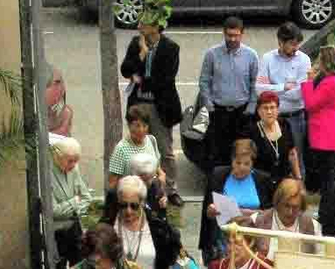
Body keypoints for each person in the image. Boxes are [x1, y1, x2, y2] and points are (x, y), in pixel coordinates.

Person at [120, 12, 183, 204]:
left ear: (156, 27)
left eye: (144, 23)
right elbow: (125, 70)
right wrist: (142, 55)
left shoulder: (170, 48)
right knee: (138, 146)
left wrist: (140, 78)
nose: (139, 26)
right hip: (138, 102)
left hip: (160, 105)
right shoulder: (136, 43)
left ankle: (170, 190)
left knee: (164, 149)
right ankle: (141, 187)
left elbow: (164, 79)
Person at [198, 16, 260, 181]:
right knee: (218, 153)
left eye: (236, 35)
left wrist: (250, 109)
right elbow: (204, 81)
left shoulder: (251, 56)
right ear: (224, 34)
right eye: (229, 35)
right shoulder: (212, 54)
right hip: (218, 112)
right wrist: (209, 106)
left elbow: (255, 83)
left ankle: (240, 183)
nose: (232, 39)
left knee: (242, 153)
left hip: (242, 113)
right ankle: (218, 185)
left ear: (242, 34)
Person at [198, 139, 276, 263]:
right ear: (232, 160)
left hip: (253, 242)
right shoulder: (218, 176)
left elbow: (270, 213)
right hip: (223, 242)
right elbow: (207, 214)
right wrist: (211, 210)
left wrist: (247, 213)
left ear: (252, 163)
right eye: (237, 162)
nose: (241, 167)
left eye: (246, 164)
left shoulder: (262, 179)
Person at [256, 22, 311, 174]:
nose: (296, 48)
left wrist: (273, 89)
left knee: (297, 159)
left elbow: (300, 93)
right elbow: (260, 90)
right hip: (273, 118)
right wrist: (283, 87)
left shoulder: (304, 60)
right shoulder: (267, 59)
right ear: (280, 42)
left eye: (297, 44)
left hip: (295, 118)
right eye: (292, 44)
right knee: (273, 159)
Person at [113, 174, 180, 269]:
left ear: (142, 203)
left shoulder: (158, 228)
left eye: (134, 206)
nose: (128, 211)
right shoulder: (108, 228)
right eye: (123, 205)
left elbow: (177, 260)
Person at [299, 44, 335, 194]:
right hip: (334, 133)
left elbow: (311, 104)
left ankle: (328, 208)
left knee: (327, 177)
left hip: (326, 135)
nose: (317, 62)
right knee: (329, 174)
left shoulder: (330, 83)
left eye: (320, 60)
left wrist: (308, 81)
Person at [239, 177, 320, 259]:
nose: (290, 212)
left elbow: (320, 259)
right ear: (278, 202)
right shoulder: (256, 221)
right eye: (286, 205)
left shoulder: (313, 226)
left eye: (295, 207)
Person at [47, 135, 92, 268]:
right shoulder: (46, 171)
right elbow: (53, 211)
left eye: (76, 161)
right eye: (70, 161)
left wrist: (72, 207)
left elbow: (86, 198)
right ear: (57, 156)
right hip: (56, 232)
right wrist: (75, 202)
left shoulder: (74, 168)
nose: (73, 165)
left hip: (74, 228)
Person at [244, 90, 302, 182]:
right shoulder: (251, 131)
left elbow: (292, 153)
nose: (269, 112)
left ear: (278, 110)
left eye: (272, 107)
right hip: (261, 181)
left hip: (284, 179)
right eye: (265, 108)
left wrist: (298, 178)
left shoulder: (285, 125)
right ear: (259, 111)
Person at [107, 104, 164, 196]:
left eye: (144, 126)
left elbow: (157, 167)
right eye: (137, 126)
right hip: (132, 200)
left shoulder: (151, 140)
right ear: (129, 126)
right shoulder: (121, 149)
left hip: (151, 195)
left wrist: (161, 176)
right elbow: (112, 184)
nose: (141, 130)